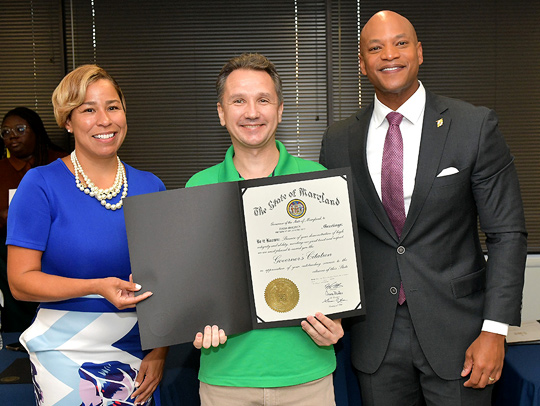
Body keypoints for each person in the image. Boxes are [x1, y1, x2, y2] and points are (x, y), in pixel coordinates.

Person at [319, 10, 527, 406]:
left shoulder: (472, 126)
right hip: (375, 337)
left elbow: (506, 234)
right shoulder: (338, 140)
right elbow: (332, 237)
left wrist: (495, 329)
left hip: (461, 335)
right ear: (362, 64)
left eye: (400, 43)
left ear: (419, 52)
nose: (389, 55)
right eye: (375, 48)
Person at [186, 53, 344, 406]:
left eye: (263, 100)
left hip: (307, 375)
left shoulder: (318, 181)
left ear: (280, 110)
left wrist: (338, 320)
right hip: (225, 378)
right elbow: (193, 286)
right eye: (238, 100)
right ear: (221, 112)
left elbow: (337, 275)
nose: (252, 112)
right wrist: (191, 322)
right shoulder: (197, 187)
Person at [6, 65, 168, 406]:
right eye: (88, 110)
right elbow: (20, 282)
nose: (104, 120)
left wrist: (160, 351)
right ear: (68, 120)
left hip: (138, 349)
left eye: (112, 107)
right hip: (62, 349)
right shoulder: (40, 185)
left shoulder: (151, 186)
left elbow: (167, 283)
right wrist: (95, 286)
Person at [0, 107, 67, 332]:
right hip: (9, 242)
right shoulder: (1, 169)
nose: (12, 136)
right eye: (6, 132)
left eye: (20, 129)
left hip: (58, 239)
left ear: (36, 131)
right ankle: (18, 332)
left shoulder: (60, 163)